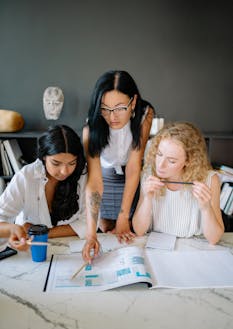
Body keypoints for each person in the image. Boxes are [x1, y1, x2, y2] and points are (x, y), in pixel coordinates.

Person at [82, 70, 154, 262]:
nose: (112, 117)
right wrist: (91, 234)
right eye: (105, 108)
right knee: (106, 229)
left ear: (134, 101)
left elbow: (133, 166)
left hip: (132, 174)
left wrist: (123, 217)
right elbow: (95, 181)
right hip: (105, 176)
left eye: (120, 108)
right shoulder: (91, 128)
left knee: (132, 228)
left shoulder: (145, 115)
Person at [132, 122, 224, 244]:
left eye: (171, 161)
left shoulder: (210, 180)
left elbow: (214, 239)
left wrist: (206, 208)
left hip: (193, 249)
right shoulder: (149, 176)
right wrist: (147, 199)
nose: (160, 165)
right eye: (159, 154)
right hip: (158, 248)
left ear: (188, 161)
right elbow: (139, 230)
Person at [0, 124, 87, 250]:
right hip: (30, 248)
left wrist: (41, 233)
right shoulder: (26, 176)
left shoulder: (84, 175)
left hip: (70, 249)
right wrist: (11, 230)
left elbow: (89, 223)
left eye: (71, 163)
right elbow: (2, 216)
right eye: (56, 163)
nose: (64, 171)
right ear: (44, 157)